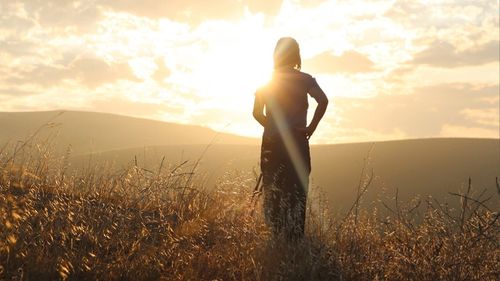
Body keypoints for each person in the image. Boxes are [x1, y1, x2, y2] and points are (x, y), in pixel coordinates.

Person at [253, 37, 328, 241]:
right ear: (296, 55)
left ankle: (274, 240)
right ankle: (294, 241)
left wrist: (274, 127)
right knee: (297, 193)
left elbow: (256, 113)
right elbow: (323, 100)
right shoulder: (304, 80)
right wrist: (310, 128)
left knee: (272, 190)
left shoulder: (267, 81)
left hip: (271, 143)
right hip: (297, 142)